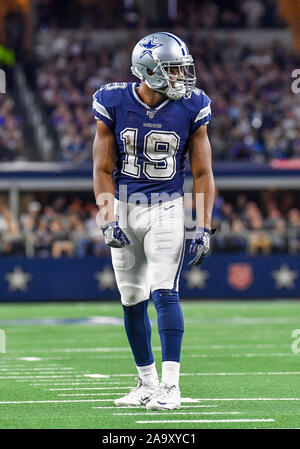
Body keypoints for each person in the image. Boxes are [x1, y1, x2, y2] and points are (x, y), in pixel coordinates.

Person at [92, 32, 215, 411]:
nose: (183, 77)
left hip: (166, 207)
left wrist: (202, 225)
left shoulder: (192, 105)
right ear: (149, 71)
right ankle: (145, 383)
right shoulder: (112, 100)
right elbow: (101, 168)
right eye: (173, 69)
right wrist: (106, 217)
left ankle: (171, 386)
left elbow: (203, 173)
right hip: (126, 209)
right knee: (131, 299)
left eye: (182, 68)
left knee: (164, 290)